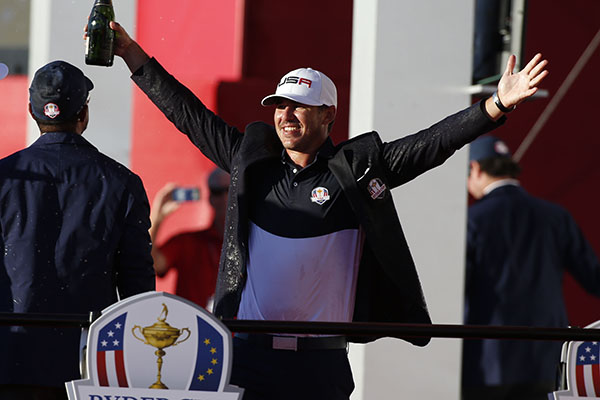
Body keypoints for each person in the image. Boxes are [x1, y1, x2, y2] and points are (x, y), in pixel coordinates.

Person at [105, 20, 548, 399]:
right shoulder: (251, 163)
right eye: (279, 105)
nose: (286, 114)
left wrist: (496, 105)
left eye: (299, 106)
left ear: (328, 114)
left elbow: (431, 144)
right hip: (247, 357)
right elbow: (188, 115)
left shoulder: (356, 170)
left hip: (322, 364)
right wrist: (130, 53)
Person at [0, 61, 155, 400]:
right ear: (84, 113)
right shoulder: (121, 182)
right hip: (90, 365)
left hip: (10, 358)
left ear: (31, 110)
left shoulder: (5, 177)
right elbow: (137, 284)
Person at [462, 135, 600, 400]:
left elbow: (457, 290)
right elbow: (594, 278)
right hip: (548, 359)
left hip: (488, 362)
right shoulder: (556, 216)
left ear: (475, 169)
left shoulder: (472, 221)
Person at [149, 168, 229, 308]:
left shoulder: (252, 243)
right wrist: (156, 218)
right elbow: (152, 263)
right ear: (210, 197)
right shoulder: (188, 242)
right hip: (192, 320)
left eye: (231, 191)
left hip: (238, 322)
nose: (225, 198)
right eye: (218, 192)